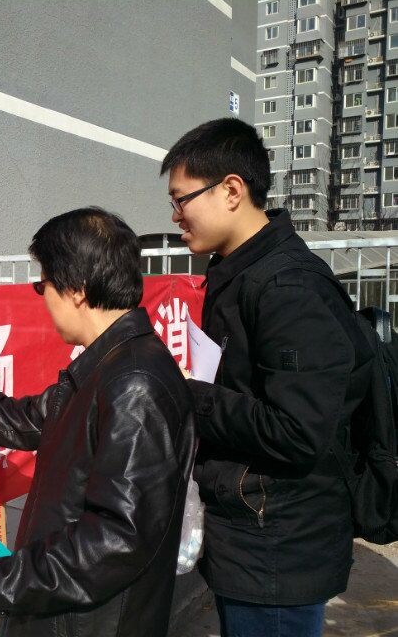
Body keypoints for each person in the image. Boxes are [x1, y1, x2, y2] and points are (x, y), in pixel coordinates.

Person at [0, 207, 195, 637]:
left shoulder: (134, 384)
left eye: (44, 285)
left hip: (89, 625)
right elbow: (29, 418)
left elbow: (116, 541)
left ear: (76, 289)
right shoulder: (108, 364)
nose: (43, 299)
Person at [160, 118, 373, 637]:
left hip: (278, 548)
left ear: (232, 190)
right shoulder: (240, 272)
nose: (175, 215)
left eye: (182, 199)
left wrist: (192, 396)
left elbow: (298, 430)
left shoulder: (286, 287)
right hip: (252, 532)